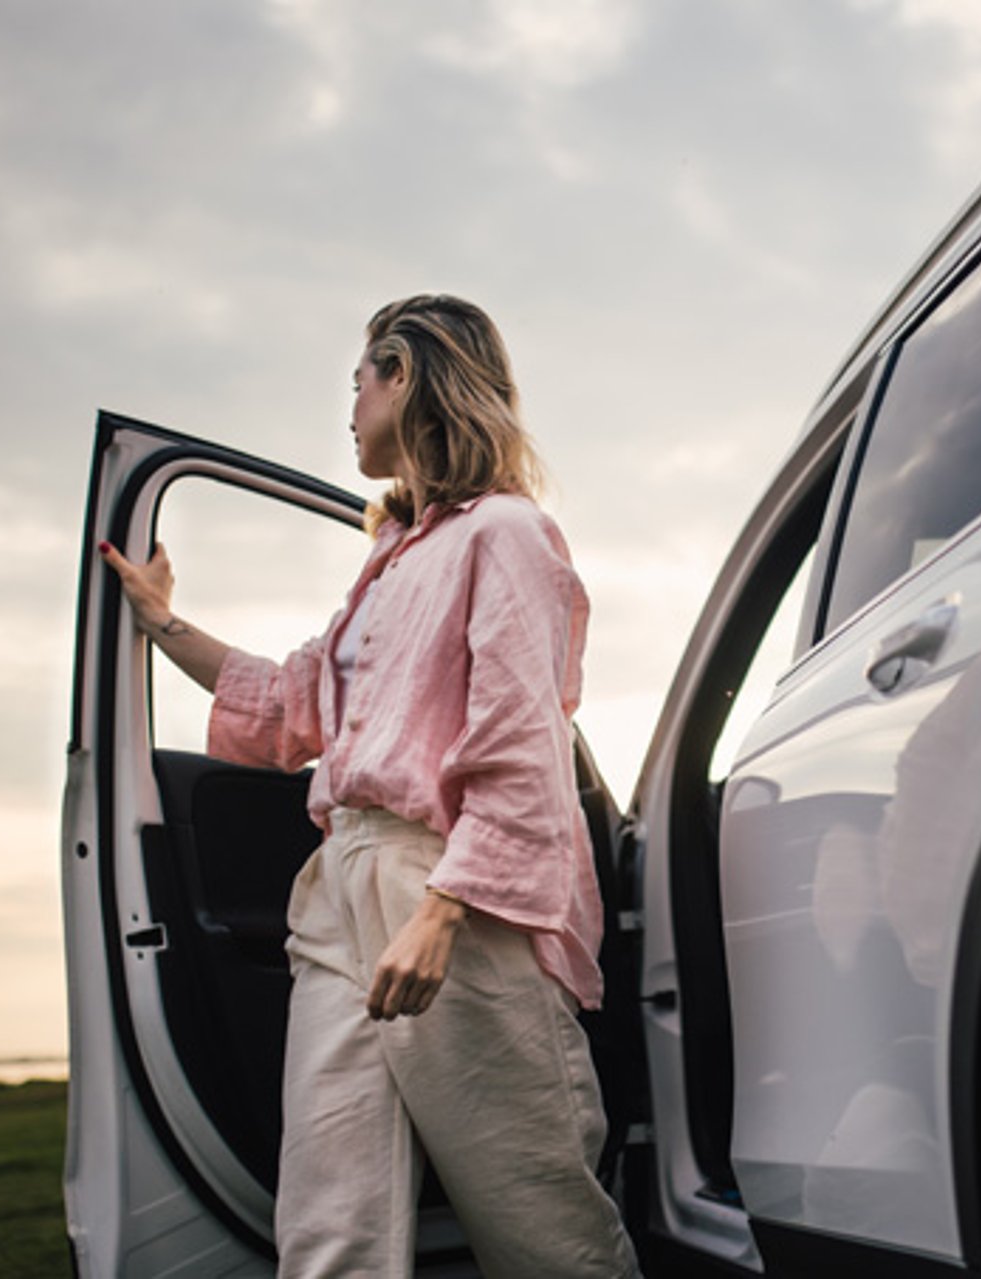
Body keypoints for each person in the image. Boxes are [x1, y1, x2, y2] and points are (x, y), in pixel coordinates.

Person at [99, 294, 640, 1278]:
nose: (349, 406)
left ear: (406, 376)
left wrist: (442, 911)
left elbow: (522, 740)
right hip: (338, 894)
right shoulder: (388, 566)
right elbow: (289, 702)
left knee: (537, 1214)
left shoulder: (506, 535)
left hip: (452, 890)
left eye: (359, 381)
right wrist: (161, 622)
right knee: (329, 1222)